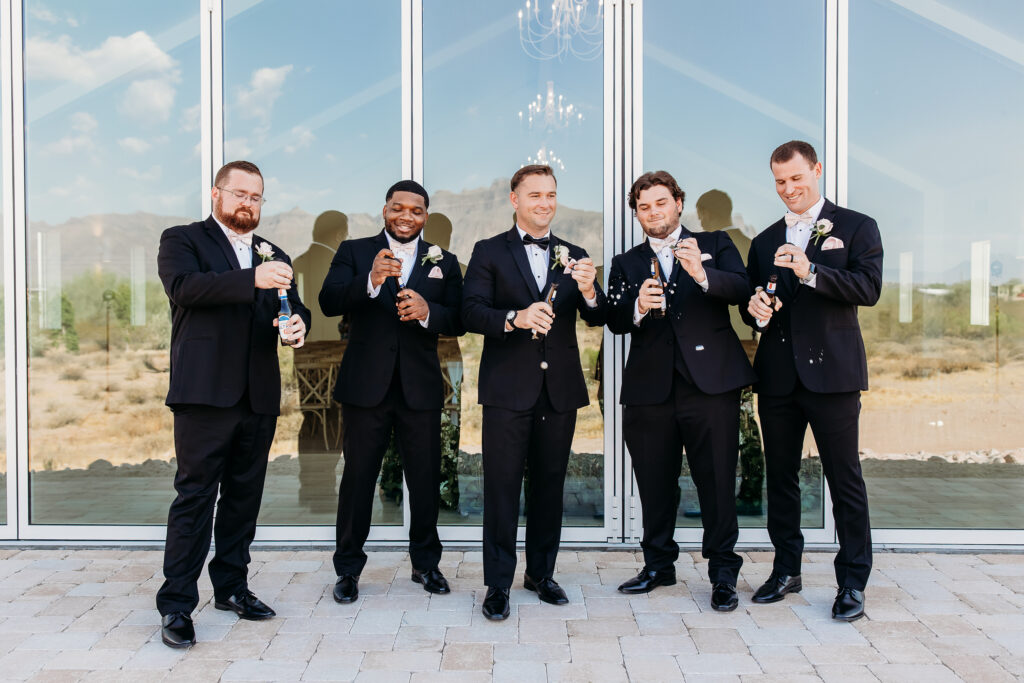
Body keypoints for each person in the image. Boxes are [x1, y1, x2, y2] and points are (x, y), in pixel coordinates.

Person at [155, 160, 310, 648]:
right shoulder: (182, 240)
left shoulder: (274, 254)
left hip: (258, 396)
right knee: (196, 498)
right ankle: (177, 604)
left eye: (256, 196)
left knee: (244, 499)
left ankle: (232, 589)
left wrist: (296, 326)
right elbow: (185, 289)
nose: (248, 203)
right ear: (217, 194)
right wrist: (253, 280)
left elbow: (291, 306)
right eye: (239, 193)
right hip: (204, 395)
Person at [744, 140, 882, 621]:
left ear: (816, 171)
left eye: (797, 179)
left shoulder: (857, 227)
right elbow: (754, 301)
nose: (789, 190)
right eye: (780, 182)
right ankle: (787, 570)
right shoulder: (762, 242)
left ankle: (853, 584)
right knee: (780, 480)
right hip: (778, 378)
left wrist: (811, 271)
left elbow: (868, 289)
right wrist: (755, 311)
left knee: (845, 481)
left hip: (834, 375)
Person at [462, 164, 606, 621]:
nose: (544, 202)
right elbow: (471, 312)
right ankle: (498, 584)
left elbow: (596, 316)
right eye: (535, 195)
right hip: (507, 391)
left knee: (549, 488)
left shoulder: (575, 251)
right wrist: (515, 318)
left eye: (551, 194)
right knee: (502, 490)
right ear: (514, 199)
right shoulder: (488, 251)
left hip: (559, 391)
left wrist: (589, 289)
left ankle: (541, 575)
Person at [607, 171, 755, 611]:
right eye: (644, 206)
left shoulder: (716, 245)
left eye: (660, 202)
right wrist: (636, 306)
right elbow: (614, 319)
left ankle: (723, 573)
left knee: (716, 481)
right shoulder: (626, 262)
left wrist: (702, 274)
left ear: (678, 203)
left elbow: (742, 290)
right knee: (653, 483)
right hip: (649, 389)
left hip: (711, 385)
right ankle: (658, 565)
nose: (653, 212)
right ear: (636, 213)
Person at [320, 180, 464, 603]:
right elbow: (328, 301)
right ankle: (347, 570)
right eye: (398, 208)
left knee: (424, 480)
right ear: (385, 211)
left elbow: (460, 318)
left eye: (416, 211)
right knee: (358, 480)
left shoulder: (445, 261)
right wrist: (369, 280)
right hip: (366, 387)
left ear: (425, 216)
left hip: (419, 388)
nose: (406, 216)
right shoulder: (354, 252)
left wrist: (428, 313)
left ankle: (426, 565)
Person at [696, 189, 765, 515]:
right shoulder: (750, 244)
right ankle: (747, 491)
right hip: (745, 341)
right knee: (744, 420)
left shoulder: (716, 246)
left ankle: (748, 493)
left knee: (739, 422)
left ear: (707, 213)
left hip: (735, 345)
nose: (699, 220)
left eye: (700, 214)